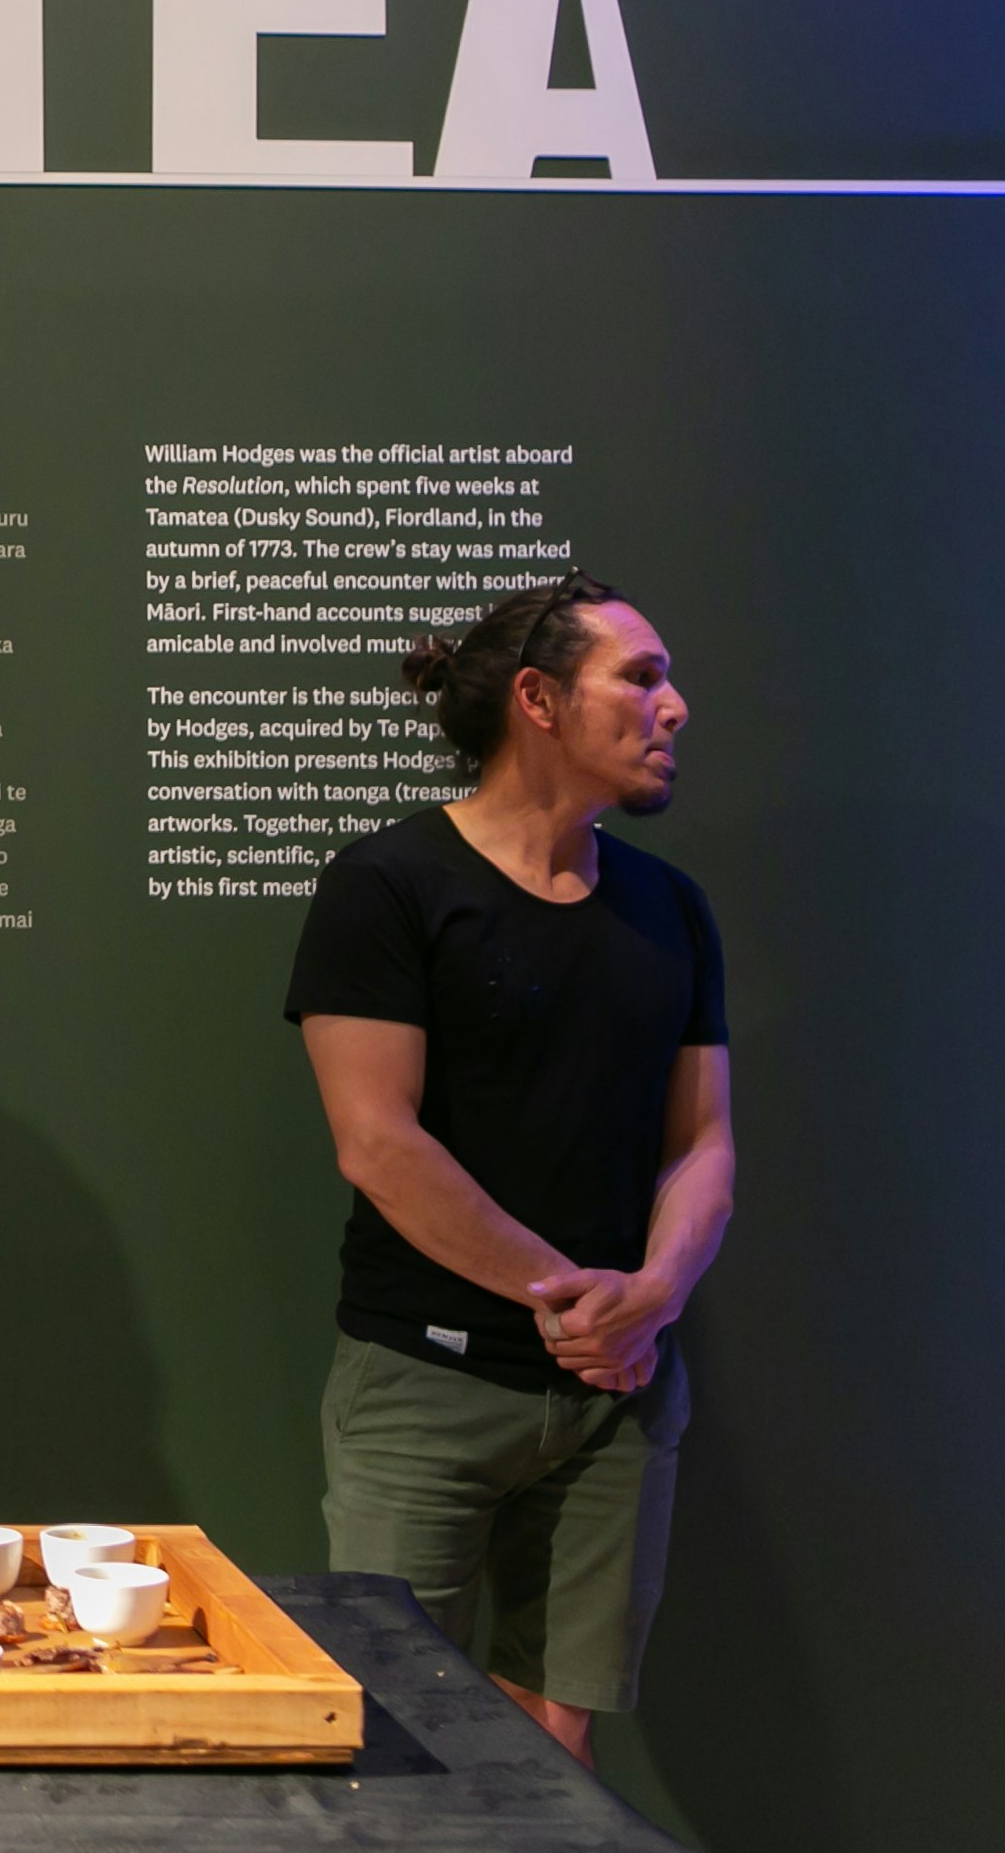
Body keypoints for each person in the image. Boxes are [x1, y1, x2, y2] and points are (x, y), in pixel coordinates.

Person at [287, 573, 735, 1763]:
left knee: (553, 1747)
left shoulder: (671, 907)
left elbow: (703, 1142)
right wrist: (583, 1303)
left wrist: (654, 1298)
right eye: (641, 677)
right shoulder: (388, 882)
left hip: (620, 1391)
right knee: (397, 1738)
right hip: (426, 1382)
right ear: (538, 699)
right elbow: (377, 1140)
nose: (675, 706)